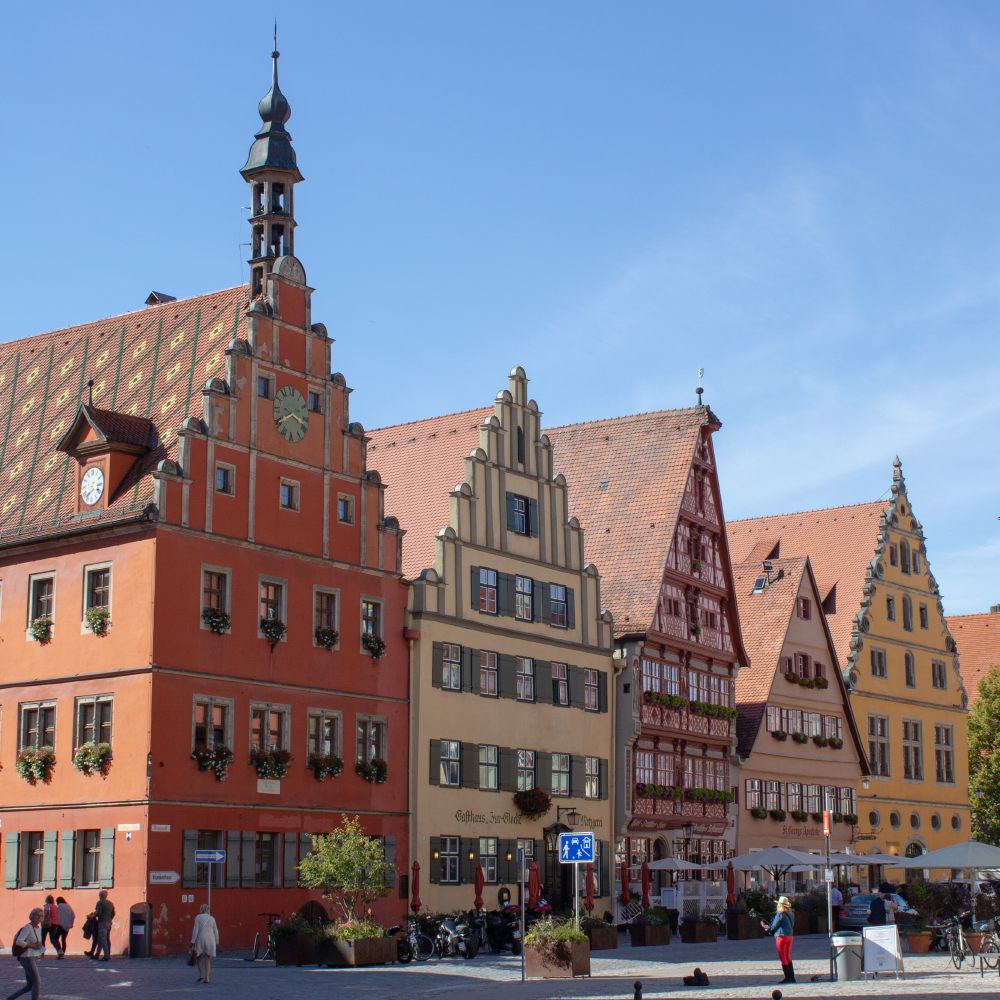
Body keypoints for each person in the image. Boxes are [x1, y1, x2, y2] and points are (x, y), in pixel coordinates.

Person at [6, 908, 45, 1000]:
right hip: (27, 957)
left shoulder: (38, 928)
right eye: (37, 915)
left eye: (41, 916)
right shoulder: (28, 927)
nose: (39, 918)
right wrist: (32, 945)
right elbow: (19, 941)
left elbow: (36, 943)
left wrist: (39, 946)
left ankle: (10, 999)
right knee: (37, 982)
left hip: (33, 956)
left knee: (30, 985)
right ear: (32, 916)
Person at [761, 895, 795, 984]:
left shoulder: (780, 914)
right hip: (790, 936)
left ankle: (787, 978)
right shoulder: (791, 914)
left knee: (782, 957)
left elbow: (773, 926)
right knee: (787, 956)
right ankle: (792, 977)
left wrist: (765, 926)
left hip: (781, 936)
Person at [191, 904, 219, 984]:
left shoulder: (198, 917)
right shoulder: (212, 918)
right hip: (210, 939)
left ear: (201, 909)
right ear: (208, 909)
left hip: (201, 938)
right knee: (207, 959)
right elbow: (216, 931)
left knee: (198, 957)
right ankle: (207, 978)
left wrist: (193, 941)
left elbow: (195, 930)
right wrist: (217, 941)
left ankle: (201, 974)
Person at [93, 890, 115, 961]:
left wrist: (93, 915)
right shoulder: (110, 903)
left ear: (101, 895)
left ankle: (106, 956)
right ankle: (97, 955)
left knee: (103, 939)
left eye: (99, 895)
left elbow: (99, 912)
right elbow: (113, 913)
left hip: (102, 922)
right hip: (108, 923)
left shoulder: (100, 903)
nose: (99, 896)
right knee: (102, 939)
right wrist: (109, 918)